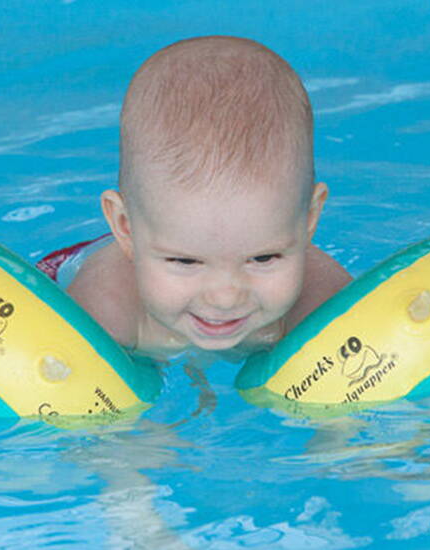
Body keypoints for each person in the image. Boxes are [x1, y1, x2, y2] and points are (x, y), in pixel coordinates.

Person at [64, 36, 352, 357]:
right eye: (185, 260)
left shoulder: (326, 301)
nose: (225, 297)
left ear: (309, 219)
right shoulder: (103, 310)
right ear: (125, 227)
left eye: (263, 258)